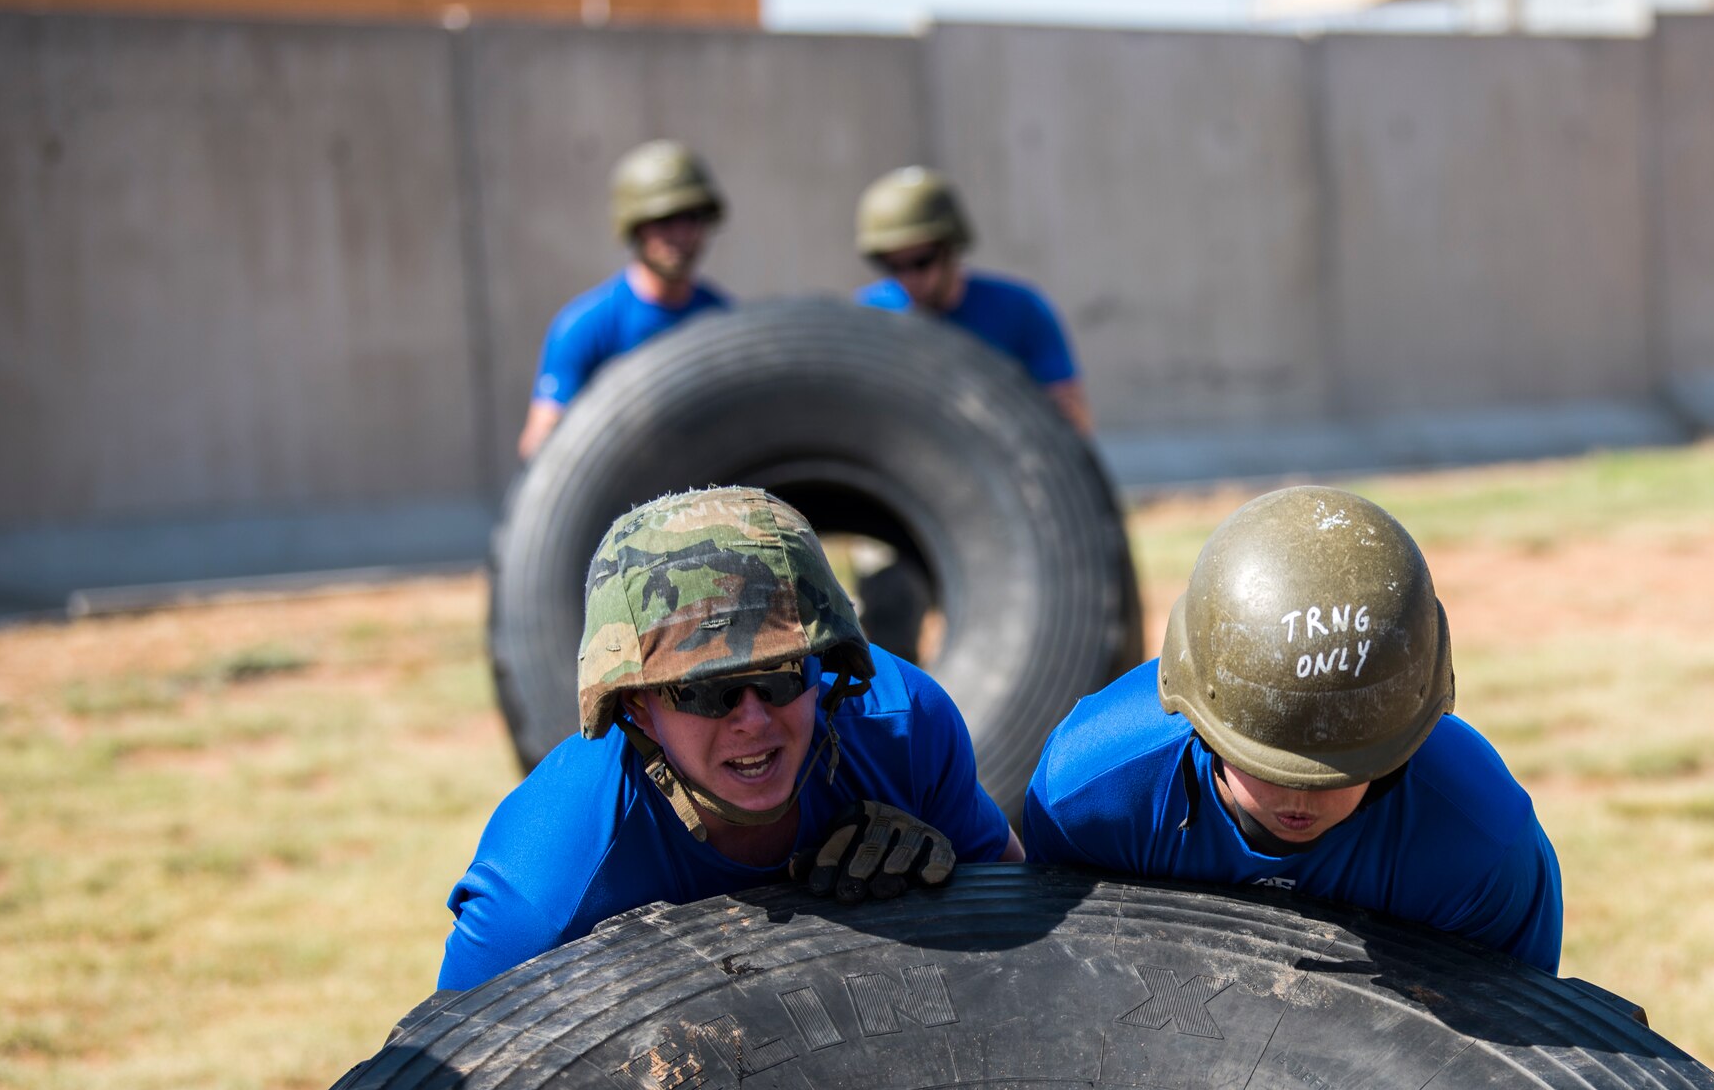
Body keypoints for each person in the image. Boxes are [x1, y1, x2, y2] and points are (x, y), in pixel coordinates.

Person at [439, 486, 1024, 991]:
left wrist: (948, 897)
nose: (752, 718)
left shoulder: (903, 731)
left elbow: (1027, 921)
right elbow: (447, 1086)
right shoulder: (547, 889)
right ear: (638, 707)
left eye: (779, 673)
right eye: (703, 691)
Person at [1021, 486, 1563, 973]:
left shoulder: (1480, 847)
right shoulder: (1089, 795)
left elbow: (1511, 1046)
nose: (1300, 796)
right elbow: (1062, 984)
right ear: (1200, 720)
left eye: (1339, 771)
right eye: (1266, 762)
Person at [516, 139, 731, 460]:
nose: (680, 235)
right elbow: (538, 446)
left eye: (692, 218)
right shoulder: (586, 326)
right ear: (636, 228)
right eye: (664, 222)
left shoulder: (720, 320)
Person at [853, 166, 1093, 435]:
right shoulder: (868, 320)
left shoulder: (1020, 311)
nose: (908, 277)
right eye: (892, 266)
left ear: (949, 250)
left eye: (921, 262)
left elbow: (1071, 420)